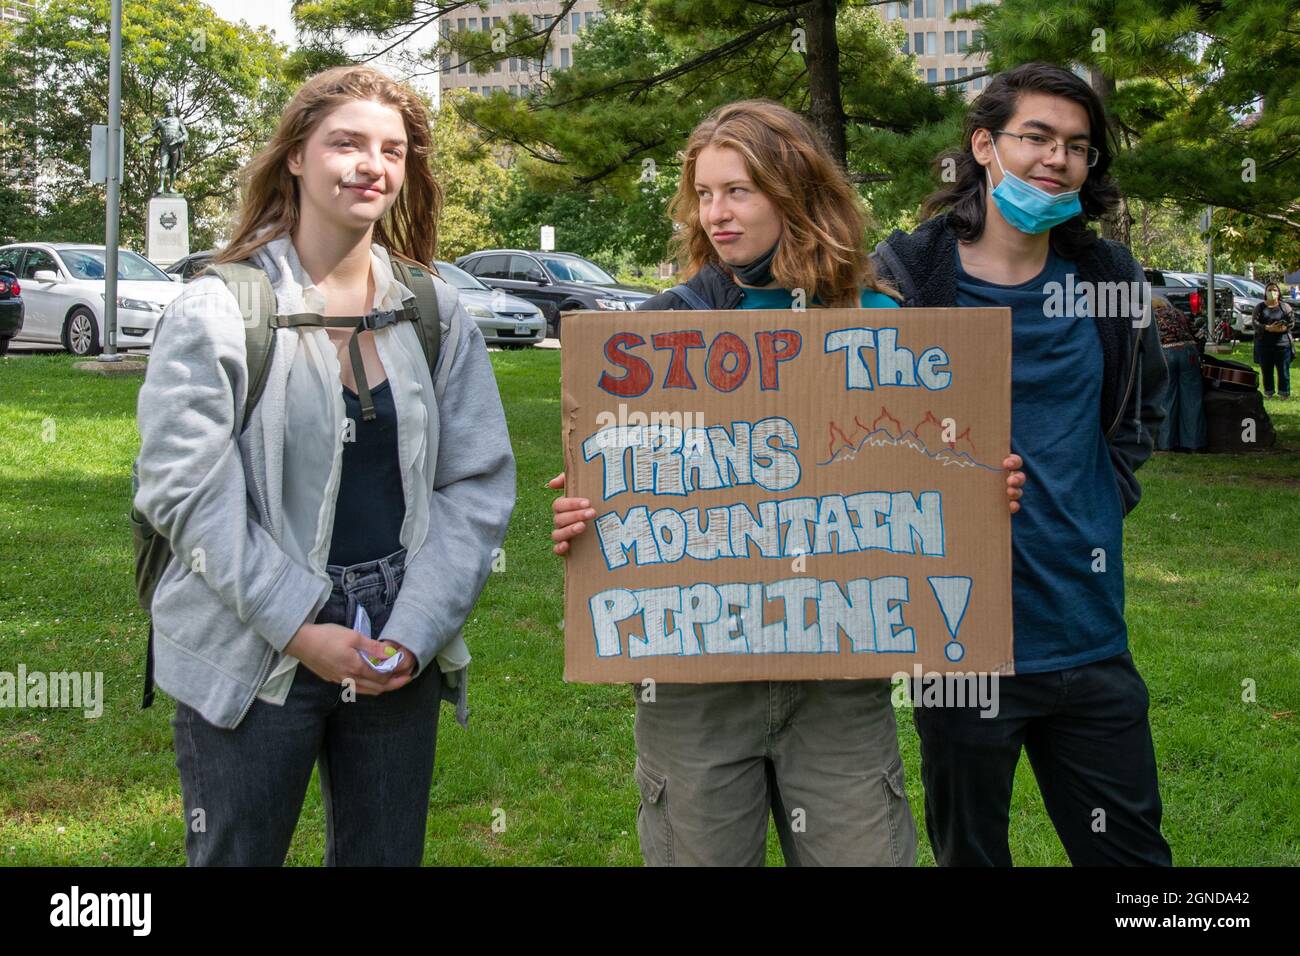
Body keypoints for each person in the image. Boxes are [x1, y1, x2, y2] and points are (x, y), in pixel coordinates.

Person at [549, 100, 1025, 866]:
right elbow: (620, 482)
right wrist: (586, 515)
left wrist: (977, 492)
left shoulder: (880, 318)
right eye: (703, 195)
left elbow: (928, 469)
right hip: (695, 684)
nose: (717, 215)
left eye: (738, 191)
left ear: (794, 189)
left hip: (838, 679)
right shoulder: (662, 333)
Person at [134, 65, 516, 865]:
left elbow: (475, 486)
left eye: (392, 149)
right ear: (296, 158)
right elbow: (187, 495)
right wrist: (300, 629)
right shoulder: (217, 310)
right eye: (345, 142)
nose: (371, 164)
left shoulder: (435, 312)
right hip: (250, 635)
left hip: (393, 642)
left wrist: (412, 633)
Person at [870, 62, 1171, 867]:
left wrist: (1099, 502)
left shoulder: (1109, 280)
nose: (1056, 158)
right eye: (1035, 137)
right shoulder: (905, 279)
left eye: (1077, 146)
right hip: (959, 640)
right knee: (970, 855)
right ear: (984, 146)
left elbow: (1138, 414)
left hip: (1088, 633)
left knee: (1135, 867)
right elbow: (848, 425)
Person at [1153, 296, 1207, 451]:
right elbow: (1199, 335)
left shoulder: (1150, 316)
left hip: (1166, 353)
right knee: (1192, 399)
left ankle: (1166, 443)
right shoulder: (1179, 313)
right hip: (1189, 352)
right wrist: (1200, 354)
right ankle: (1194, 443)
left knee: (1167, 398)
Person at [1253, 282, 1294, 399]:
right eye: (1269, 290)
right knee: (1266, 371)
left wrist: (1282, 328)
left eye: (1275, 290)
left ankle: (1284, 393)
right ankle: (1268, 392)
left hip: (1282, 344)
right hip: (1264, 344)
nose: (1272, 292)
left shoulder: (1285, 307)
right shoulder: (1260, 307)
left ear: (1279, 293)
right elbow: (1255, 323)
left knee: (1283, 371)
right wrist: (1268, 328)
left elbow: (1291, 322)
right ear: (1265, 293)